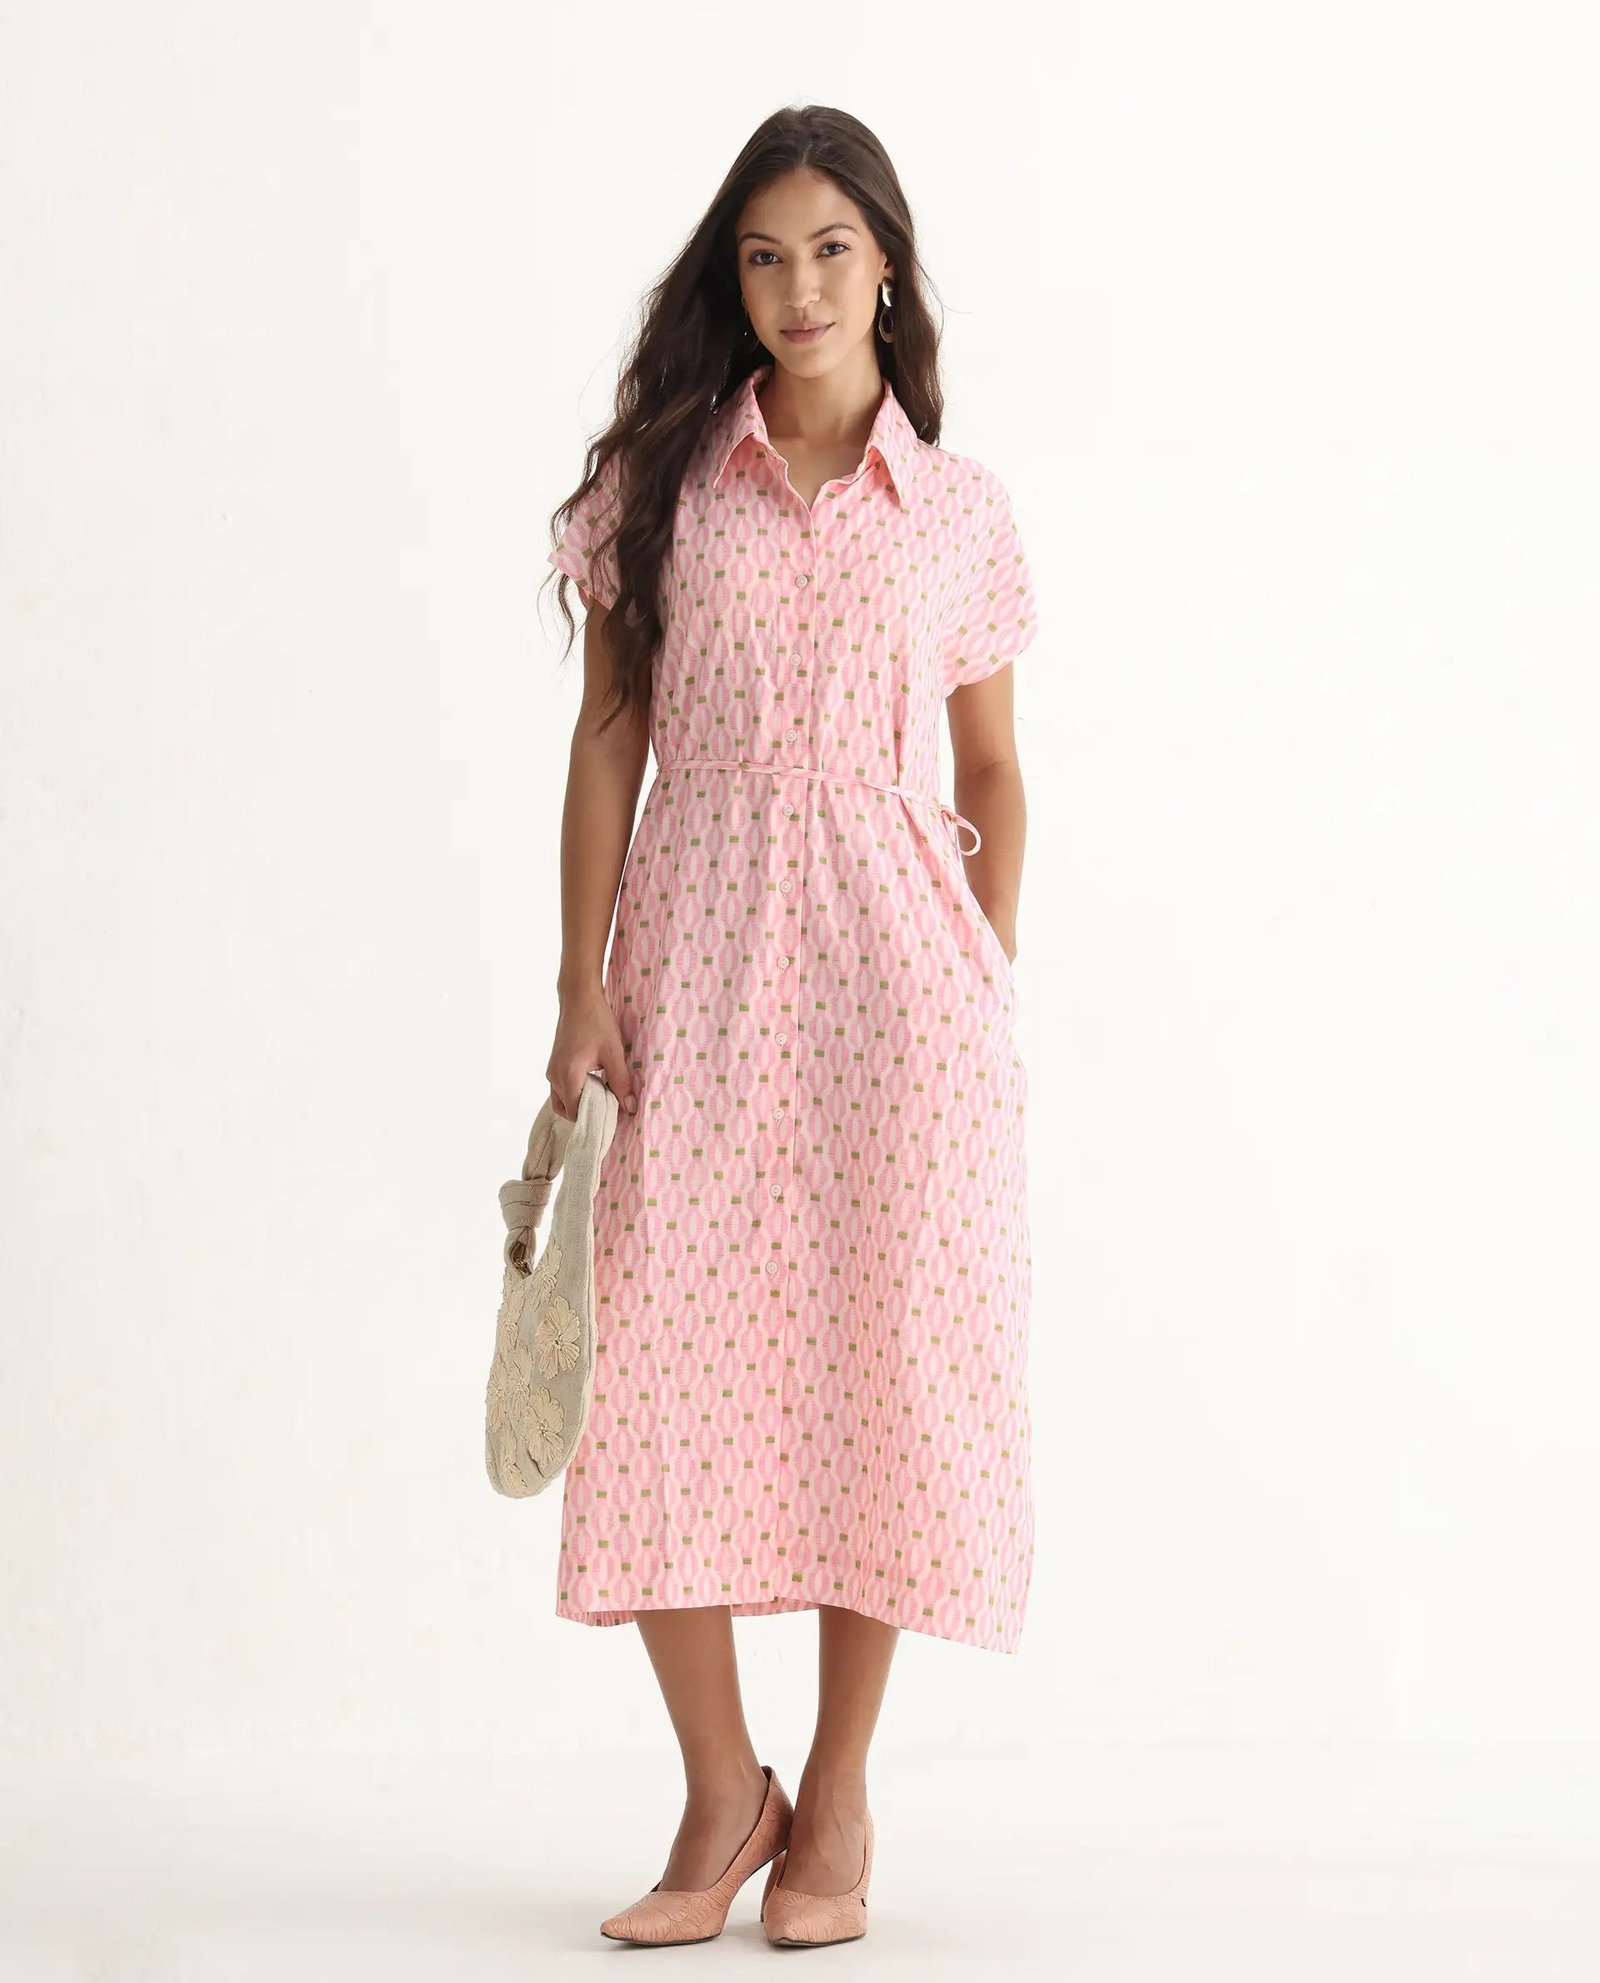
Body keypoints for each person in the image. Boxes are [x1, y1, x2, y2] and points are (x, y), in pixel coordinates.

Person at [542, 104, 1040, 1949]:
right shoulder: (663, 486)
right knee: (649, 1365)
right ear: (731, 281)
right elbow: (609, 742)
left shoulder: (959, 510)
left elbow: (994, 768)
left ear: (886, 264)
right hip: (695, 964)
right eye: (764, 256)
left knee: (876, 1373)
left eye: (832, 249)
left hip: (898, 998)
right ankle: (718, 1788)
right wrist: (577, 983)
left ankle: (834, 1799)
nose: (800, 287)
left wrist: (980, 979)